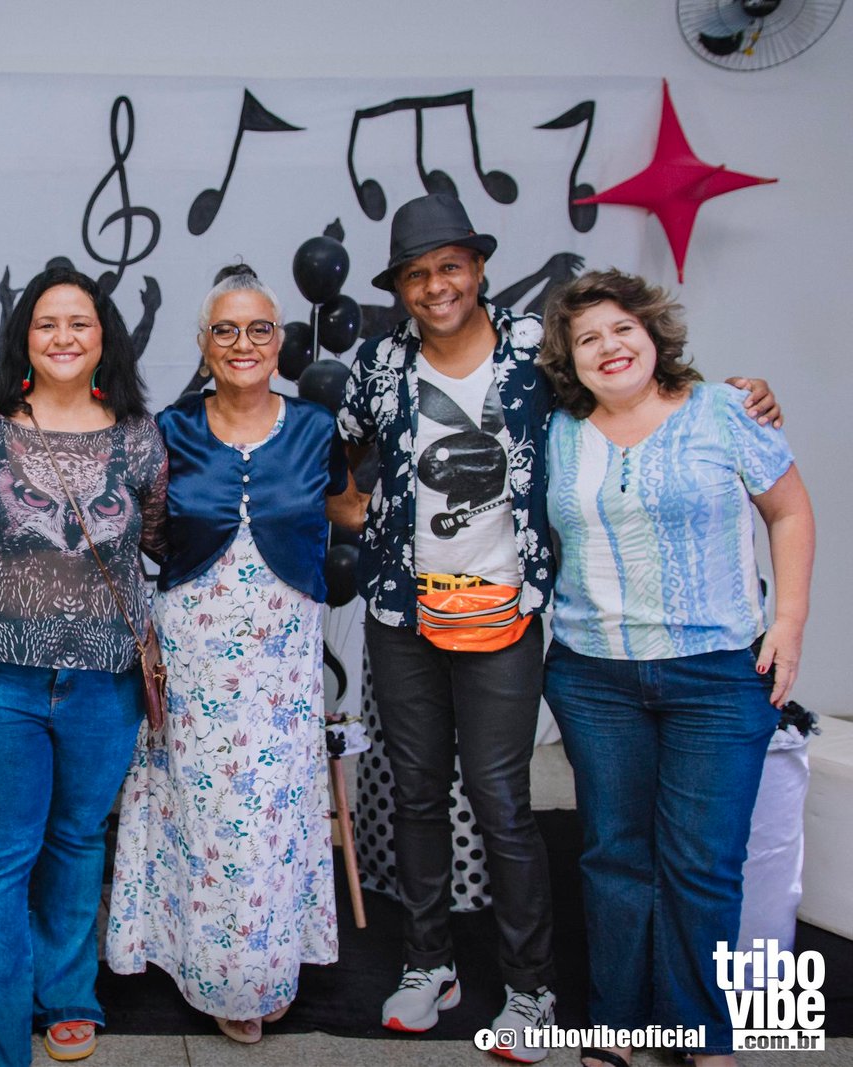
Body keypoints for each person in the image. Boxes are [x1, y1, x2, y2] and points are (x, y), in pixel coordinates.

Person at [335, 193, 781, 1063]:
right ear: (400, 288)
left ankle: (530, 988)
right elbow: (343, 448)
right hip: (402, 612)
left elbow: (635, 392)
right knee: (417, 791)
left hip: (505, 613)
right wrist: (358, 513)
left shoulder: (536, 354)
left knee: (501, 801)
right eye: (417, 274)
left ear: (478, 268)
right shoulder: (379, 362)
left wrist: (739, 395)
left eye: (450, 266)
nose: (436, 286)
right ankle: (430, 963)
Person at [537, 270, 814, 1067]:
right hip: (595, 677)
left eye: (622, 328)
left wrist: (788, 623)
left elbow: (790, 510)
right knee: (614, 854)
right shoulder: (558, 432)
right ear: (570, 359)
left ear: (653, 333)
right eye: (588, 339)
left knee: (703, 863)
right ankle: (619, 1022)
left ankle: (700, 1032)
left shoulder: (726, 410)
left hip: (717, 677)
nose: (609, 347)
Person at [106, 264, 355, 1043]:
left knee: (272, 810)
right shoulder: (171, 429)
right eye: (225, 329)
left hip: (282, 653)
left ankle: (269, 965)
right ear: (204, 343)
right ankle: (215, 970)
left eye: (258, 328)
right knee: (209, 814)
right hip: (196, 645)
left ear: (280, 341)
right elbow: (145, 528)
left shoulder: (315, 427)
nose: (243, 342)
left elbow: (347, 508)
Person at [0, 267, 166, 1066]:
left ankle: (67, 991)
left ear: (105, 338)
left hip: (106, 679)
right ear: (23, 338)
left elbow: (157, 537)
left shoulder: (138, 435)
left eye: (80, 322)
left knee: (75, 839)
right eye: (46, 323)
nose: (63, 336)